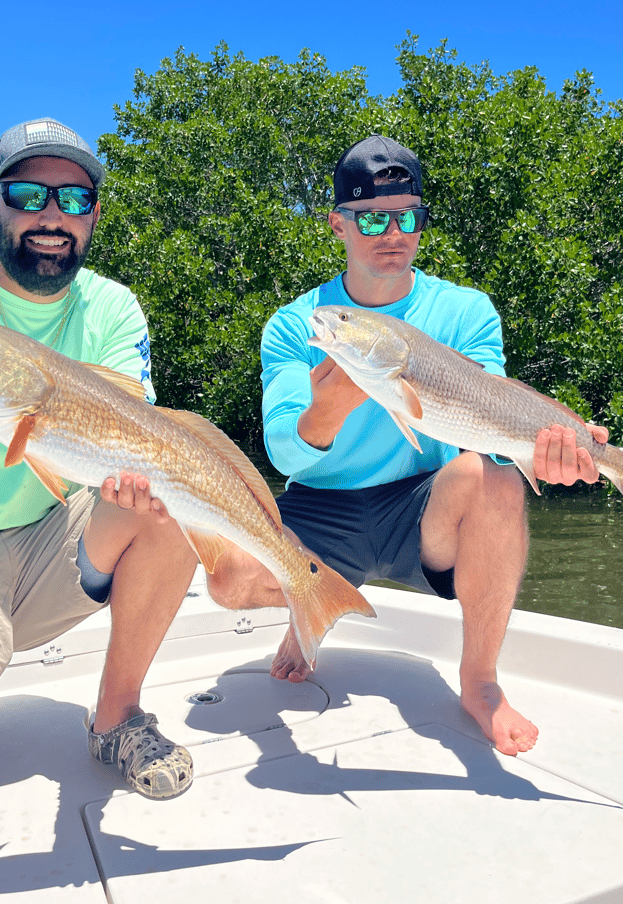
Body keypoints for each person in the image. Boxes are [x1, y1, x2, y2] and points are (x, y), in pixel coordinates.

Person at [207, 134, 607, 758]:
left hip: (423, 509)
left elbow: (495, 411)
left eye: (407, 216)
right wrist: (328, 410)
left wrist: (552, 448)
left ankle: (480, 683)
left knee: (496, 477)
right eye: (371, 217)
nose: (391, 232)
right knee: (228, 573)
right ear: (338, 223)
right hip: (322, 507)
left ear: (421, 222)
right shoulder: (298, 324)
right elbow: (284, 453)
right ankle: (312, 609)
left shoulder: (466, 310)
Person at [0, 118, 197, 799]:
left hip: (58, 528)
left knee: (174, 491)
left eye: (75, 200)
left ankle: (118, 717)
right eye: (29, 194)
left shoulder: (112, 307)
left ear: (94, 216)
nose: (53, 215)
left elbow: (129, 430)